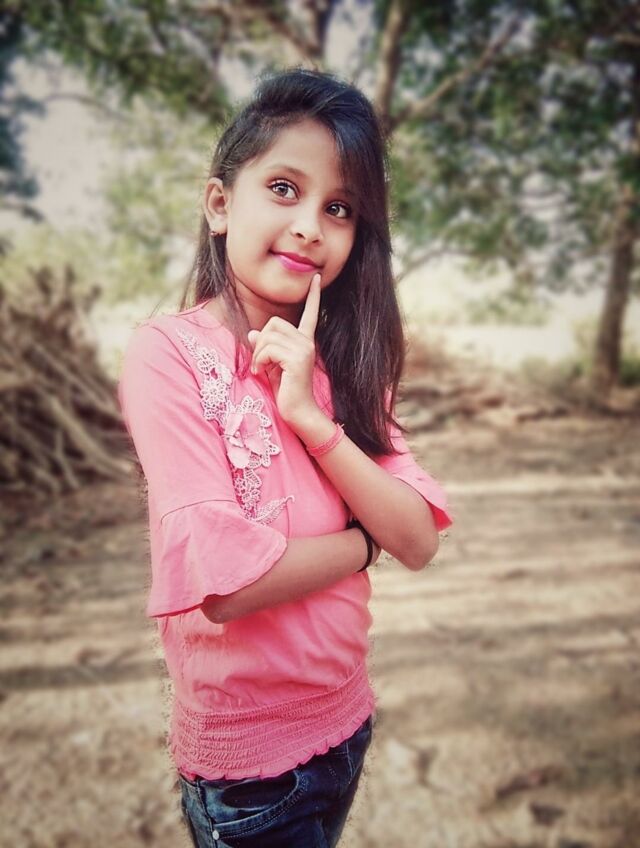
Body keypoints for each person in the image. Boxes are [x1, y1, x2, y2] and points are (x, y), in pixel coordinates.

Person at [117, 66, 454, 848]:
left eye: (339, 208)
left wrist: (312, 420)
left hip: (346, 720)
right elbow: (226, 584)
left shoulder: (345, 363)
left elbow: (417, 538)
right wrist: (361, 544)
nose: (310, 226)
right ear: (219, 204)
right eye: (283, 189)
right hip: (252, 770)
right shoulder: (168, 354)